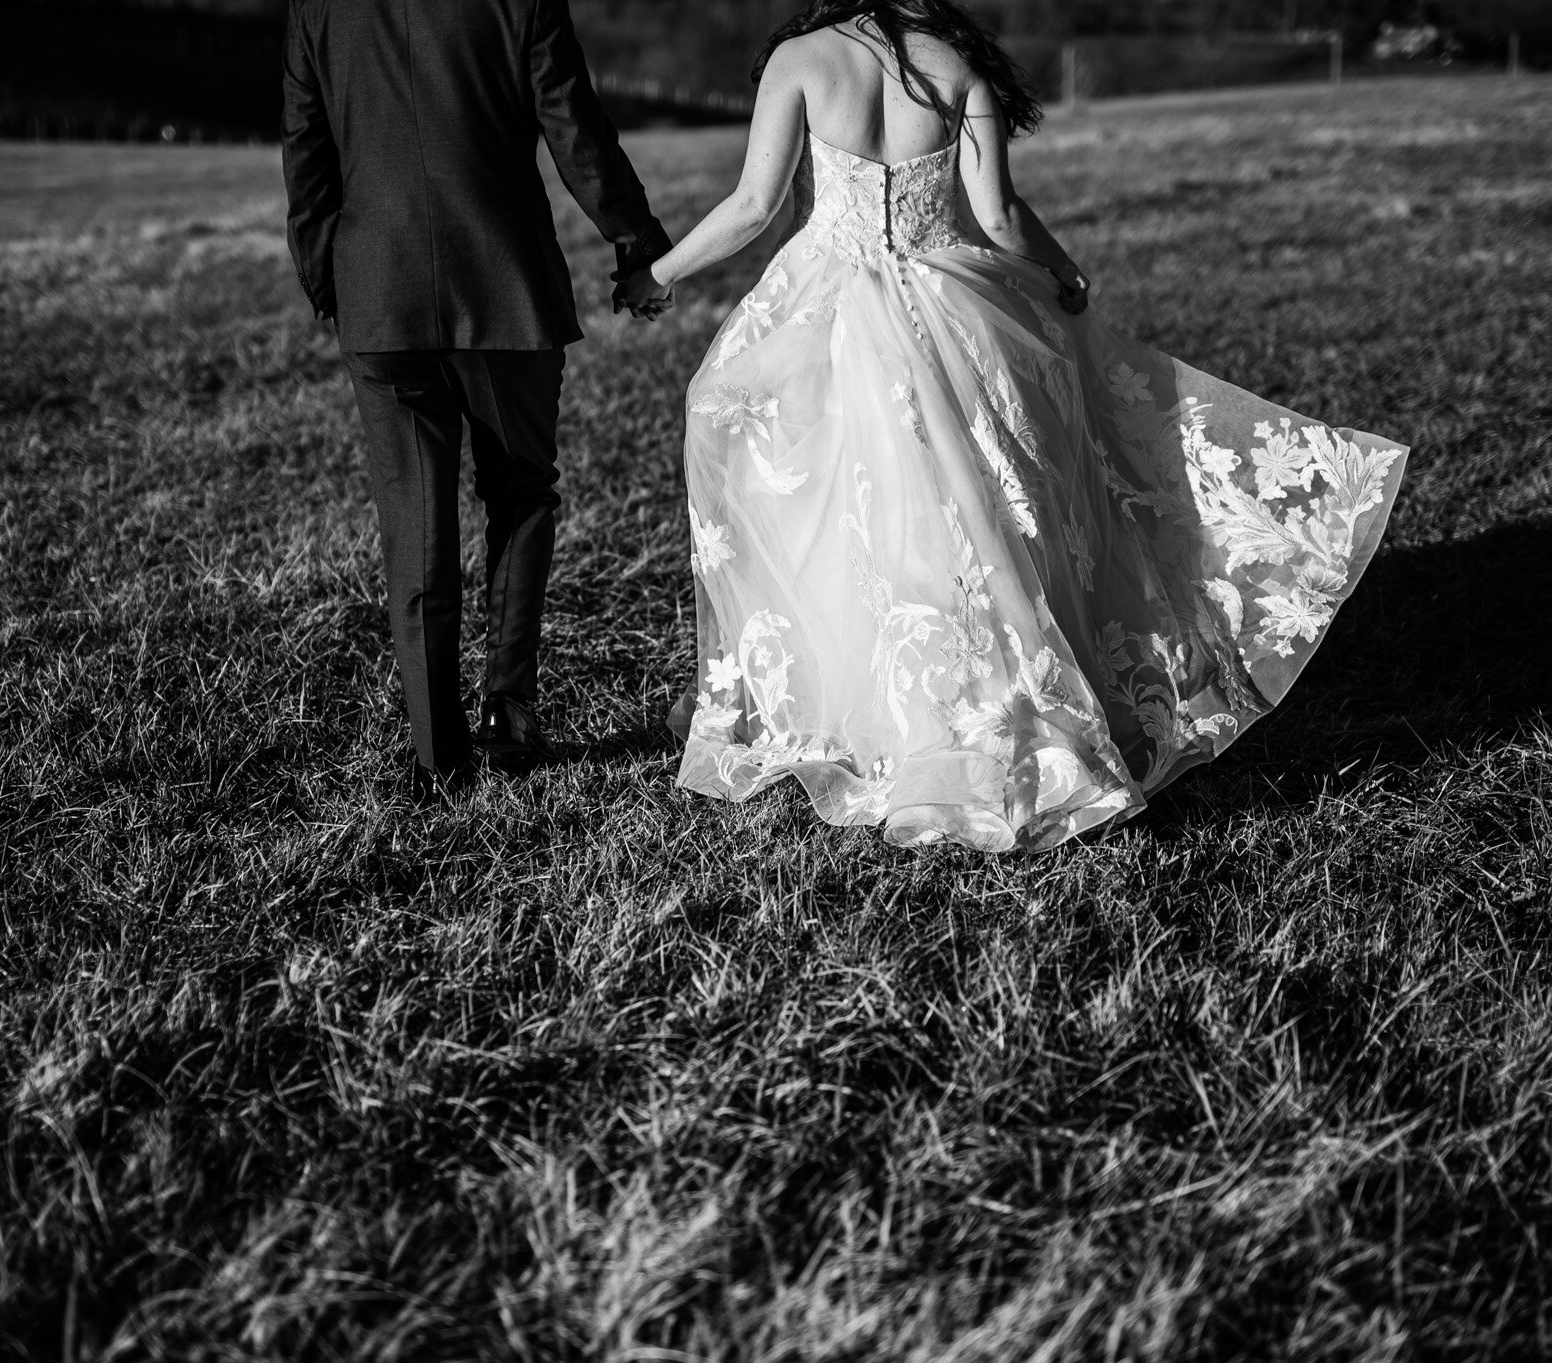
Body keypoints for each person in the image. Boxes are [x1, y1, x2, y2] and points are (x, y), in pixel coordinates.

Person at [615, 0, 1408, 852]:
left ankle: (859, 707)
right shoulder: (958, 66)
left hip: (829, 308)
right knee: (975, 510)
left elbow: (752, 206)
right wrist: (1063, 268)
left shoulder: (801, 60)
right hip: (951, 307)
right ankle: (990, 712)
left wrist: (656, 275)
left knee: (823, 492)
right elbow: (996, 217)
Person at [282, 0, 672, 799]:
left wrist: (330, 277)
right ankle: (508, 712)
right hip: (505, 286)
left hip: (380, 290)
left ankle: (436, 752)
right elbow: (574, 126)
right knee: (521, 492)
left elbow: (307, 148)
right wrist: (635, 239)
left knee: (413, 520)